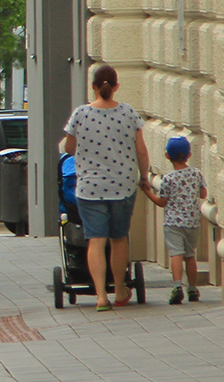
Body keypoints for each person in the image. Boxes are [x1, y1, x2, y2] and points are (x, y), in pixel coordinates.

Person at [62, 64, 149, 310]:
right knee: (119, 238)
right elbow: (141, 150)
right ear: (116, 86)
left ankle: (101, 296)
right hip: (123, 186)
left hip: (90, 188)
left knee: (96, 240)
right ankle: (120, 289)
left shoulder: (80, 114)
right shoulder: (129, 113)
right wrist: (144, 177)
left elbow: (69, 148)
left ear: (93, 87)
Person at [139, 136, 205, 304]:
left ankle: (177, 286)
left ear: (167, 156)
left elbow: (162, 202)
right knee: (190, 256)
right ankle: (192, 288)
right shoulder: (196, 173)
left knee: (176, 254)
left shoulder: (168, 179)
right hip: (192, 222)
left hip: (173, 223)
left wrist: (147, 192)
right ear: (189, 155)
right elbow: (203, 194)